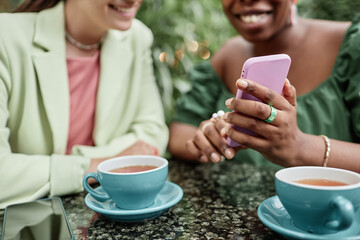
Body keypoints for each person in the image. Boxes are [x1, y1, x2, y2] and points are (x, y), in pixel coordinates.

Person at [0, 0, 169, 208]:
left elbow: (152, 134)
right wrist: (96, 166)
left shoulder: (137, 38)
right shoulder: (5, 36)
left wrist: (57, 166)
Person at [169, 0, 360, 173]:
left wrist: (300, 147)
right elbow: (179, 134)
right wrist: (210, 138)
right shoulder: (226, 56)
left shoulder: (351, 45)